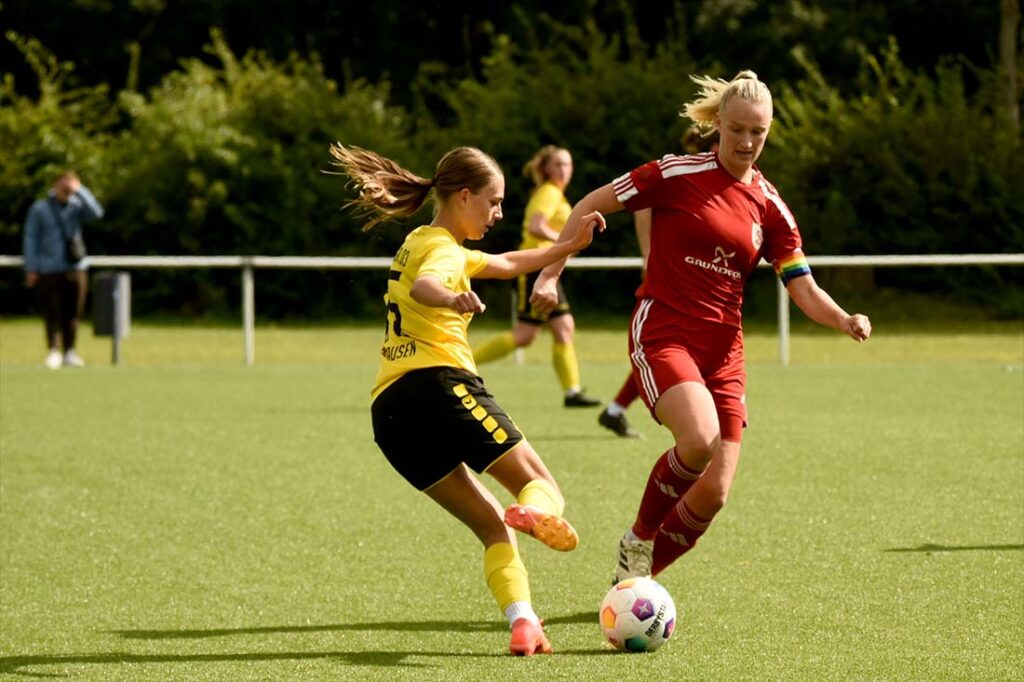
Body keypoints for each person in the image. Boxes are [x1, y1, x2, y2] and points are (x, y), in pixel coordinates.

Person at [529, 71, 872, 583]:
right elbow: (588, 205)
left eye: (759, 132)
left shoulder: (772, 207)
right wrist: (550, 272)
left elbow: (802, 286)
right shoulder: (675, 173)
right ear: (718, 125)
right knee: (700, 439)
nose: (747, 142)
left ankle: (633, 587)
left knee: (713, 493)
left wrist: (842, 317)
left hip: (724, 351)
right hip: (664, 331)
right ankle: (638, 539)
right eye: (737, 130)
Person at [328, 143, 603, 656]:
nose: (499, 213)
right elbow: (430, 285)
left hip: (390, 414)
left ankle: (523, 622)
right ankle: (530, 508)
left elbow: (508, 262)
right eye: (493, 202)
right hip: (439, 386)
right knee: (541, 485)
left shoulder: (421, 239)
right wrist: (450, 297)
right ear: (462, 195)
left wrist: (570, 243)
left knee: (490, 527)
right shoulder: (443, 252)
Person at [598, 129, 720, 439]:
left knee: (677, 352)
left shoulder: (724, 179)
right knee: (665, 348)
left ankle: (615, 409)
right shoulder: (680, 171)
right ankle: (618, 409)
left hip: (701, 285)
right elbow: (641, 205)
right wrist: (648, 255)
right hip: (671, 277)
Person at [472, 146, 601, 408]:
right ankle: (462, 362)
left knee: (564, 328)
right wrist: (569, 242)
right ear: (546, 169)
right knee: (524, 336)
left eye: (567, 164)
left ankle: (572, 392)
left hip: (547, 269)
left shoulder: (556, 195)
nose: (564, 170)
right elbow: (536, 226)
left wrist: (565, 247)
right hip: (534, 269)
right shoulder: (549, 193)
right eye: (558, 165)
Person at [23, 171, 104, 369]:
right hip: (48, 268)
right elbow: (31, 238)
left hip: (75, 267)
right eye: (63, 183)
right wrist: (32, 267)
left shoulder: (77, 206)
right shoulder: (40, 209)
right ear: (55, 185)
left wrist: (80, 190)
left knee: (74, 312)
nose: (66, 187)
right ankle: (54, 350)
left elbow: (97, 213)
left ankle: (70, 351)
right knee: (52, 311)